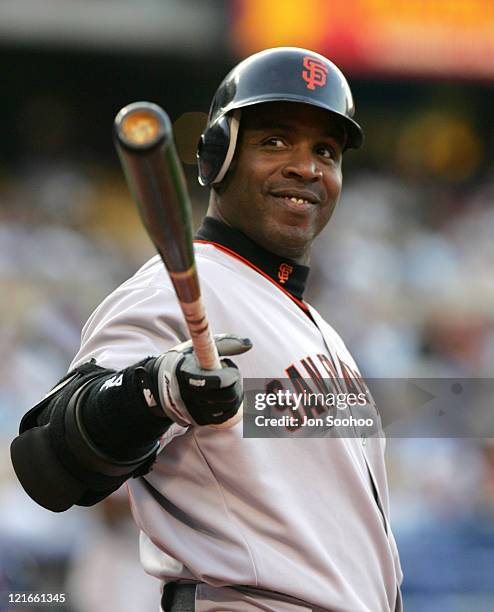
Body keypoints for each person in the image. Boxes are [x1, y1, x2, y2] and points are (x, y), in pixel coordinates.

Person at [11, 47, 403, 611]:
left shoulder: (320, 330)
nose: (307, 167)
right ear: (218, 158)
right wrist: (158, 389)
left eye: (326, 150)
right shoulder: (179, 286)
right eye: (275, 141)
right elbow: (48, 460)